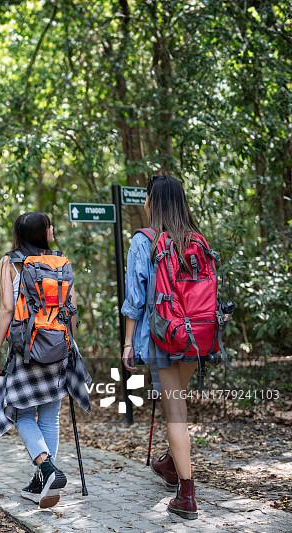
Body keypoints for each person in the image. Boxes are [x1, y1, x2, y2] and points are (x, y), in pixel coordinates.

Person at [0, 212, 91, 509]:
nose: (53, 229)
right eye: (50, 226)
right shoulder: (60, 262)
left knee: (21, 414)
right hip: (59, 346)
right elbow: (71, 307)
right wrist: (69, 345)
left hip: (27, 349)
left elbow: (7, 311)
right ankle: (45, 480)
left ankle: (47, 470)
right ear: (42, 232)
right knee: (49, 416)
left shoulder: (11, 262)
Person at [122, 175, 209, 520]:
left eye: (146, 197)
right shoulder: (197, 239)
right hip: (198, 334)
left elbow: (135, 299)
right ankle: (171, 463)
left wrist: (129, 342)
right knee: (179, 404)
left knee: (176, 412)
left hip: (164, 334)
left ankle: (186, 495)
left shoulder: (145, 240)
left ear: (152, 201)